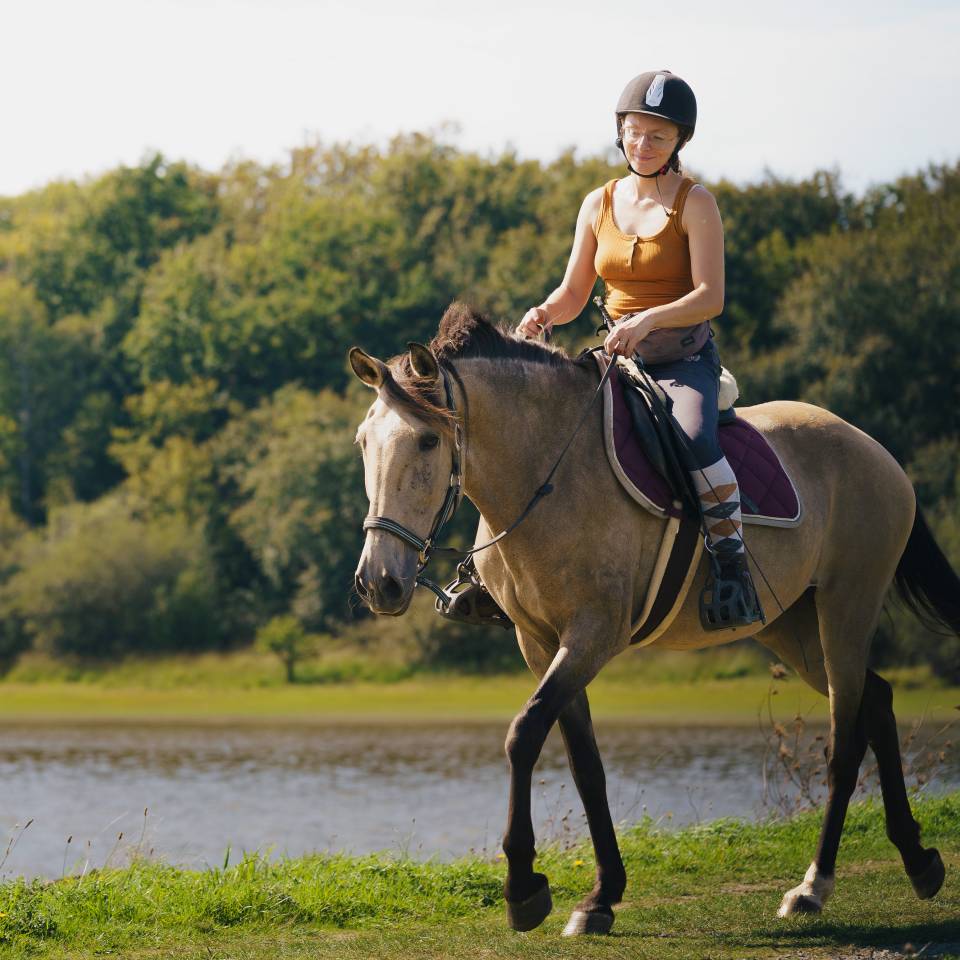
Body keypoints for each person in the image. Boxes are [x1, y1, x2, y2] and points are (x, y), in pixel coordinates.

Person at [516, 69, 763, 630]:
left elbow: (711, 297)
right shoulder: (597, 202)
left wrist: (648, 320)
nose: (643, 145)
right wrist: (544, 314)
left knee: (696, 437)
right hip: (615, 357)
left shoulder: (695, 203)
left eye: (657, 135)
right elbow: (575, 293)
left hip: (682, 360)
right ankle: (497, 578)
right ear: (619, 131)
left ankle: (731, 569)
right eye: (633, 132)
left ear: (680, 140)